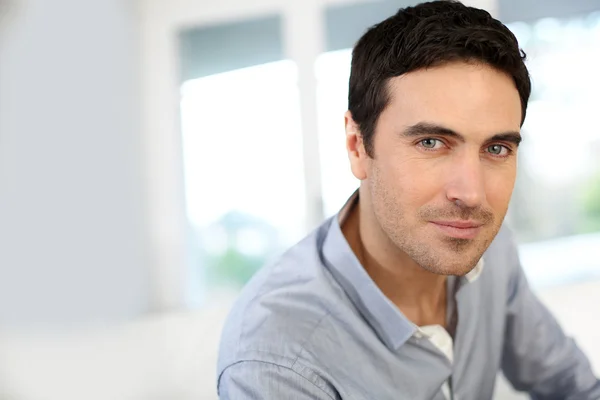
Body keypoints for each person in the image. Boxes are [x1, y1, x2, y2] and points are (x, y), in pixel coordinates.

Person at [216, 1, 600, 399]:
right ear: (357, 146)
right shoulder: (274, 365)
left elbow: (571, 385)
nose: (471, 194)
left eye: (497, 149)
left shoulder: (491, 248)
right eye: (431, 142)